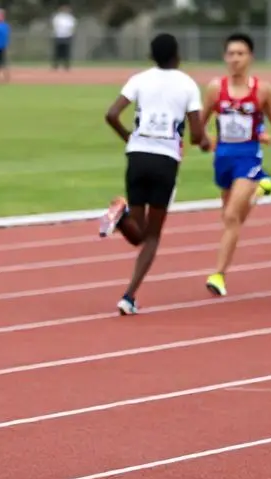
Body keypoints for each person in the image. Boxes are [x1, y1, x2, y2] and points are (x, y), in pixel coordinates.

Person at [97, 33, 209, 315]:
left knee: (138, 233)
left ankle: (121, 216)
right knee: (152, 236)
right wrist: (204, 141)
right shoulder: (187, 85)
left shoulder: (140, 79)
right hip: (165, 160)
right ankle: (129, 296)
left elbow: (111, 114)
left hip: (137, 156)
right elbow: (196, 134)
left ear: (152, 56)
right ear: (177, 55)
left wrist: (130, 139)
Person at [201, 33, 271, 297]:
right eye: (231, 54)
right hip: (223, 158)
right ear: (225, 57)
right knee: (231, 216)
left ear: (250, 57)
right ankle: (261, 189)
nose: (235, 59)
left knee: (230, 218)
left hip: (248, 157)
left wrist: (270, 136)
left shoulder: (262, 90)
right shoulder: (216, 88)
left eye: (241, 53)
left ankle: (218, 274)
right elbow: (200, 124)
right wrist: (205, 140)